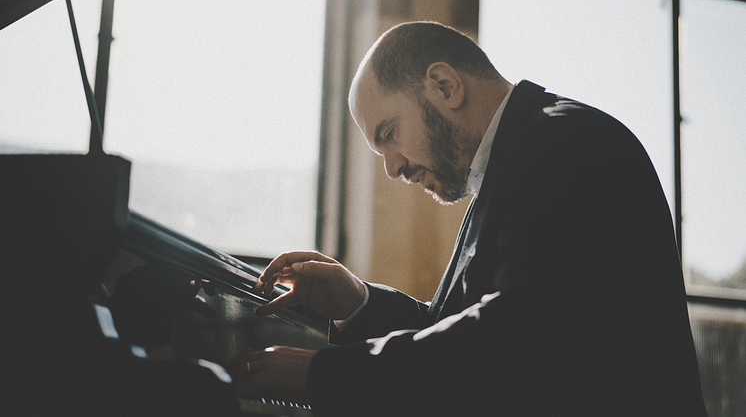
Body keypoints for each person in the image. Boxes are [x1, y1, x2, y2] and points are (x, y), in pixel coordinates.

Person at [228, 21, 707, 416]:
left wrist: (324, 375)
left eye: (390, 134)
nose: (392, 168)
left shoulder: (564, 144)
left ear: (445, 85)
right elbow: (462, 332)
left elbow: (511, 343)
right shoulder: (515, 163)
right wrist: (356, 303)